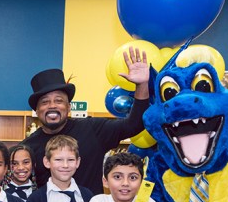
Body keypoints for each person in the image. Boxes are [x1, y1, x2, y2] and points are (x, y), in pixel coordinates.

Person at [22, 48, 150, 194]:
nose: (52, 105)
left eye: (59, 100)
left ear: (68, 107)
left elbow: (134, 125)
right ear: (37, 111)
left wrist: (142, 85)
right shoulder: (28, 148)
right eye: (44, 102)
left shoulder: (93, 129)